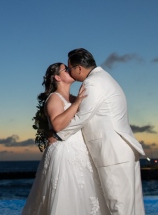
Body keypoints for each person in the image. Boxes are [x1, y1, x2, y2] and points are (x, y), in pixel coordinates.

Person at [56, 48, 146, 215]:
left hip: (112, 153)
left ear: (79, 68)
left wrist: (58, 136)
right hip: (121, 151)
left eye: (70, 68)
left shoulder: (93, 83)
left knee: (118, 207)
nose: (69, 72)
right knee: (132, 208)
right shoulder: (104, 78)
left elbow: (84, 116)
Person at [22, 62, 111, 215]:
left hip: (81, 151)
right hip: (64, 152)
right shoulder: (54, 99)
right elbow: (57, 125)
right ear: (57, 77)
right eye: (65, 69)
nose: (70, 70)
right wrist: (76, 103)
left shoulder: (74, 97)